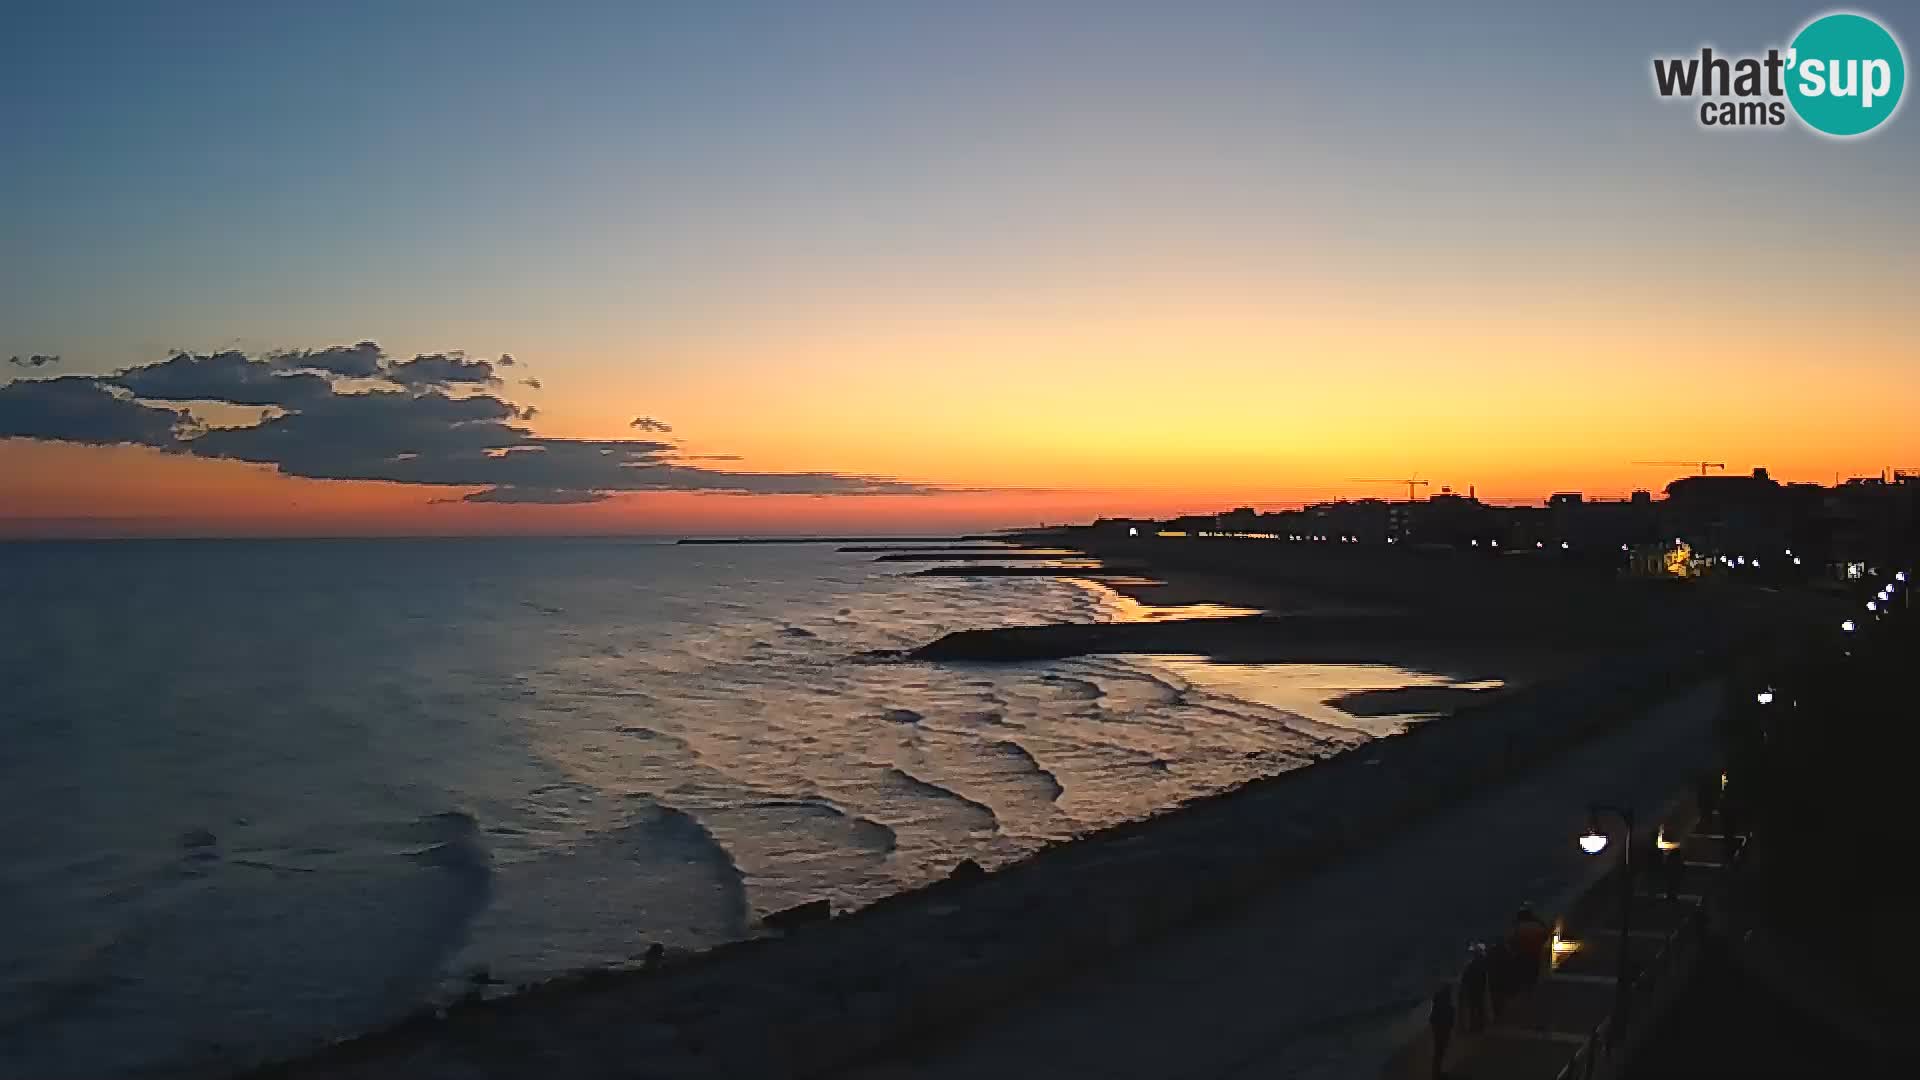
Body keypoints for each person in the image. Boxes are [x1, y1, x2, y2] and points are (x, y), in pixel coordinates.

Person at [1508, 905, 1550, 990]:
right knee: (1532, 977)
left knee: (1521, 977)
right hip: (1535, 955)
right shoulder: (1538, 926)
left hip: (1521, 956)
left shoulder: (1518, 926)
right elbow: (1546, 936)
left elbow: (1511, 940)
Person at [1459, 944, 1490, 1032]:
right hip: (1480, 988)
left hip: (1472, 989)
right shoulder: (1483, 964)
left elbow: (1465, 978)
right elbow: (1484, 977)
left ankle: (1473, 1026)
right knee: (1480, 1008)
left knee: (1472, 1009)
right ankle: (1481, 1026)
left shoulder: (1471, 965)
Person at [1428, 982, 1456, 1080]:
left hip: (1439, 1031)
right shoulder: (1446, 1005)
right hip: (1442, 1031)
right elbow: (1450, 1020)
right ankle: (1436, 1074)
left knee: (1438, 1053)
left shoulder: (1438, 1004)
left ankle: (1436, 1073)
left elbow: (1432, 1019)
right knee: (1439, 1052)